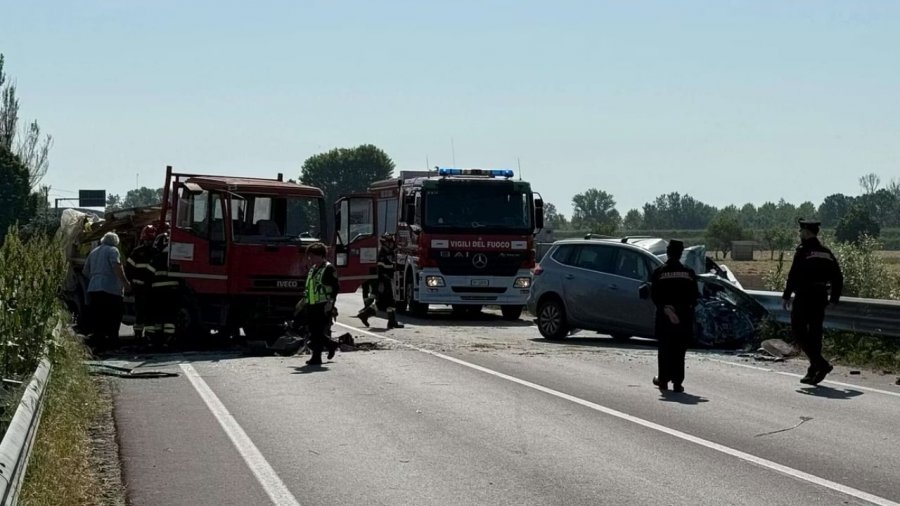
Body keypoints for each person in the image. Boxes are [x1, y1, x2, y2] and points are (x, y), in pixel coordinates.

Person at [782, 218, 844, 385]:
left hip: (804, 295)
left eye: (801, 231)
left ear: (807, 232)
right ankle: (812, 370)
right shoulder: (827, 252)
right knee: (815, 334)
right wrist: (834, 298)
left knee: (798, 331)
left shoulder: (803, 251)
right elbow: (838, 277)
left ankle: (821, 365)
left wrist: (786, 295)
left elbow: (793, 275)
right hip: (820, 296)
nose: (800, 234)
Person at [650, 239, 699, 393]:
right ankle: (677, 383)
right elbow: (695, 296)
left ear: (668, 252)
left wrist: (665, 307)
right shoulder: (689, 273)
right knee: (679, 351)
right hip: (683, 318)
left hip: (665, 316)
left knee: (664, 349)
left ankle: (663, 380)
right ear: (680, 253)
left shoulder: (659, 273)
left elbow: (654, 295)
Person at [82, 232, 132, 350]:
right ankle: (112, 342)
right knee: (113, 316)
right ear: (116, 242)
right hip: (110, 289)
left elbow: (85, 271)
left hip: (94, 288)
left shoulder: (93, 252)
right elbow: (117, 267)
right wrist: (126, 283)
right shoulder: (113, 250)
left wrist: (95, 277)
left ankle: (98, 342)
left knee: (98, 316)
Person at [300, 242, 340, 365]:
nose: (310, 259)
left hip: (323, 305)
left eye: (312, 256)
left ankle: (316, 357)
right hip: (312, 304)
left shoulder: (328, 269)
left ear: (320, 256)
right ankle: (331, 344)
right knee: (314, 331)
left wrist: (331, 303)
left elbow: (335, 287)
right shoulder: (313, 268)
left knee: (317, 332)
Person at [356, 232, 404, 329]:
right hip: (383, 282)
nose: (391, 244)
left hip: (387, 281)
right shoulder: (382, 255)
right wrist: (378, 287)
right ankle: (391, 322)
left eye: (392, 242)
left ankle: (365, 315)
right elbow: (379, 272)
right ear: (384, 243)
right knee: (390, 303)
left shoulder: (389, 253)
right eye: (389, 242)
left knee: (382, 304)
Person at [125, 225, 159, 339]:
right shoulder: (142, 252)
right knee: (142, 312)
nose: (148, 242)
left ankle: (145, 334)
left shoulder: (140, 251)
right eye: (147, 240)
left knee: (147, 311)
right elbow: (128, 269)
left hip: (147, 288)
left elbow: (129, 269)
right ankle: (140, 334)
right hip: (142, 288)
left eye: (150, 240)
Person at [147, 233, 179, 345]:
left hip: (157, 292)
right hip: (172, 292)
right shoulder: (175, 258)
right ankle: (169, 338)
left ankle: (155, 339)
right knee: (170, 316)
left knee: (157, 315)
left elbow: (148, 275)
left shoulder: (156, 258)